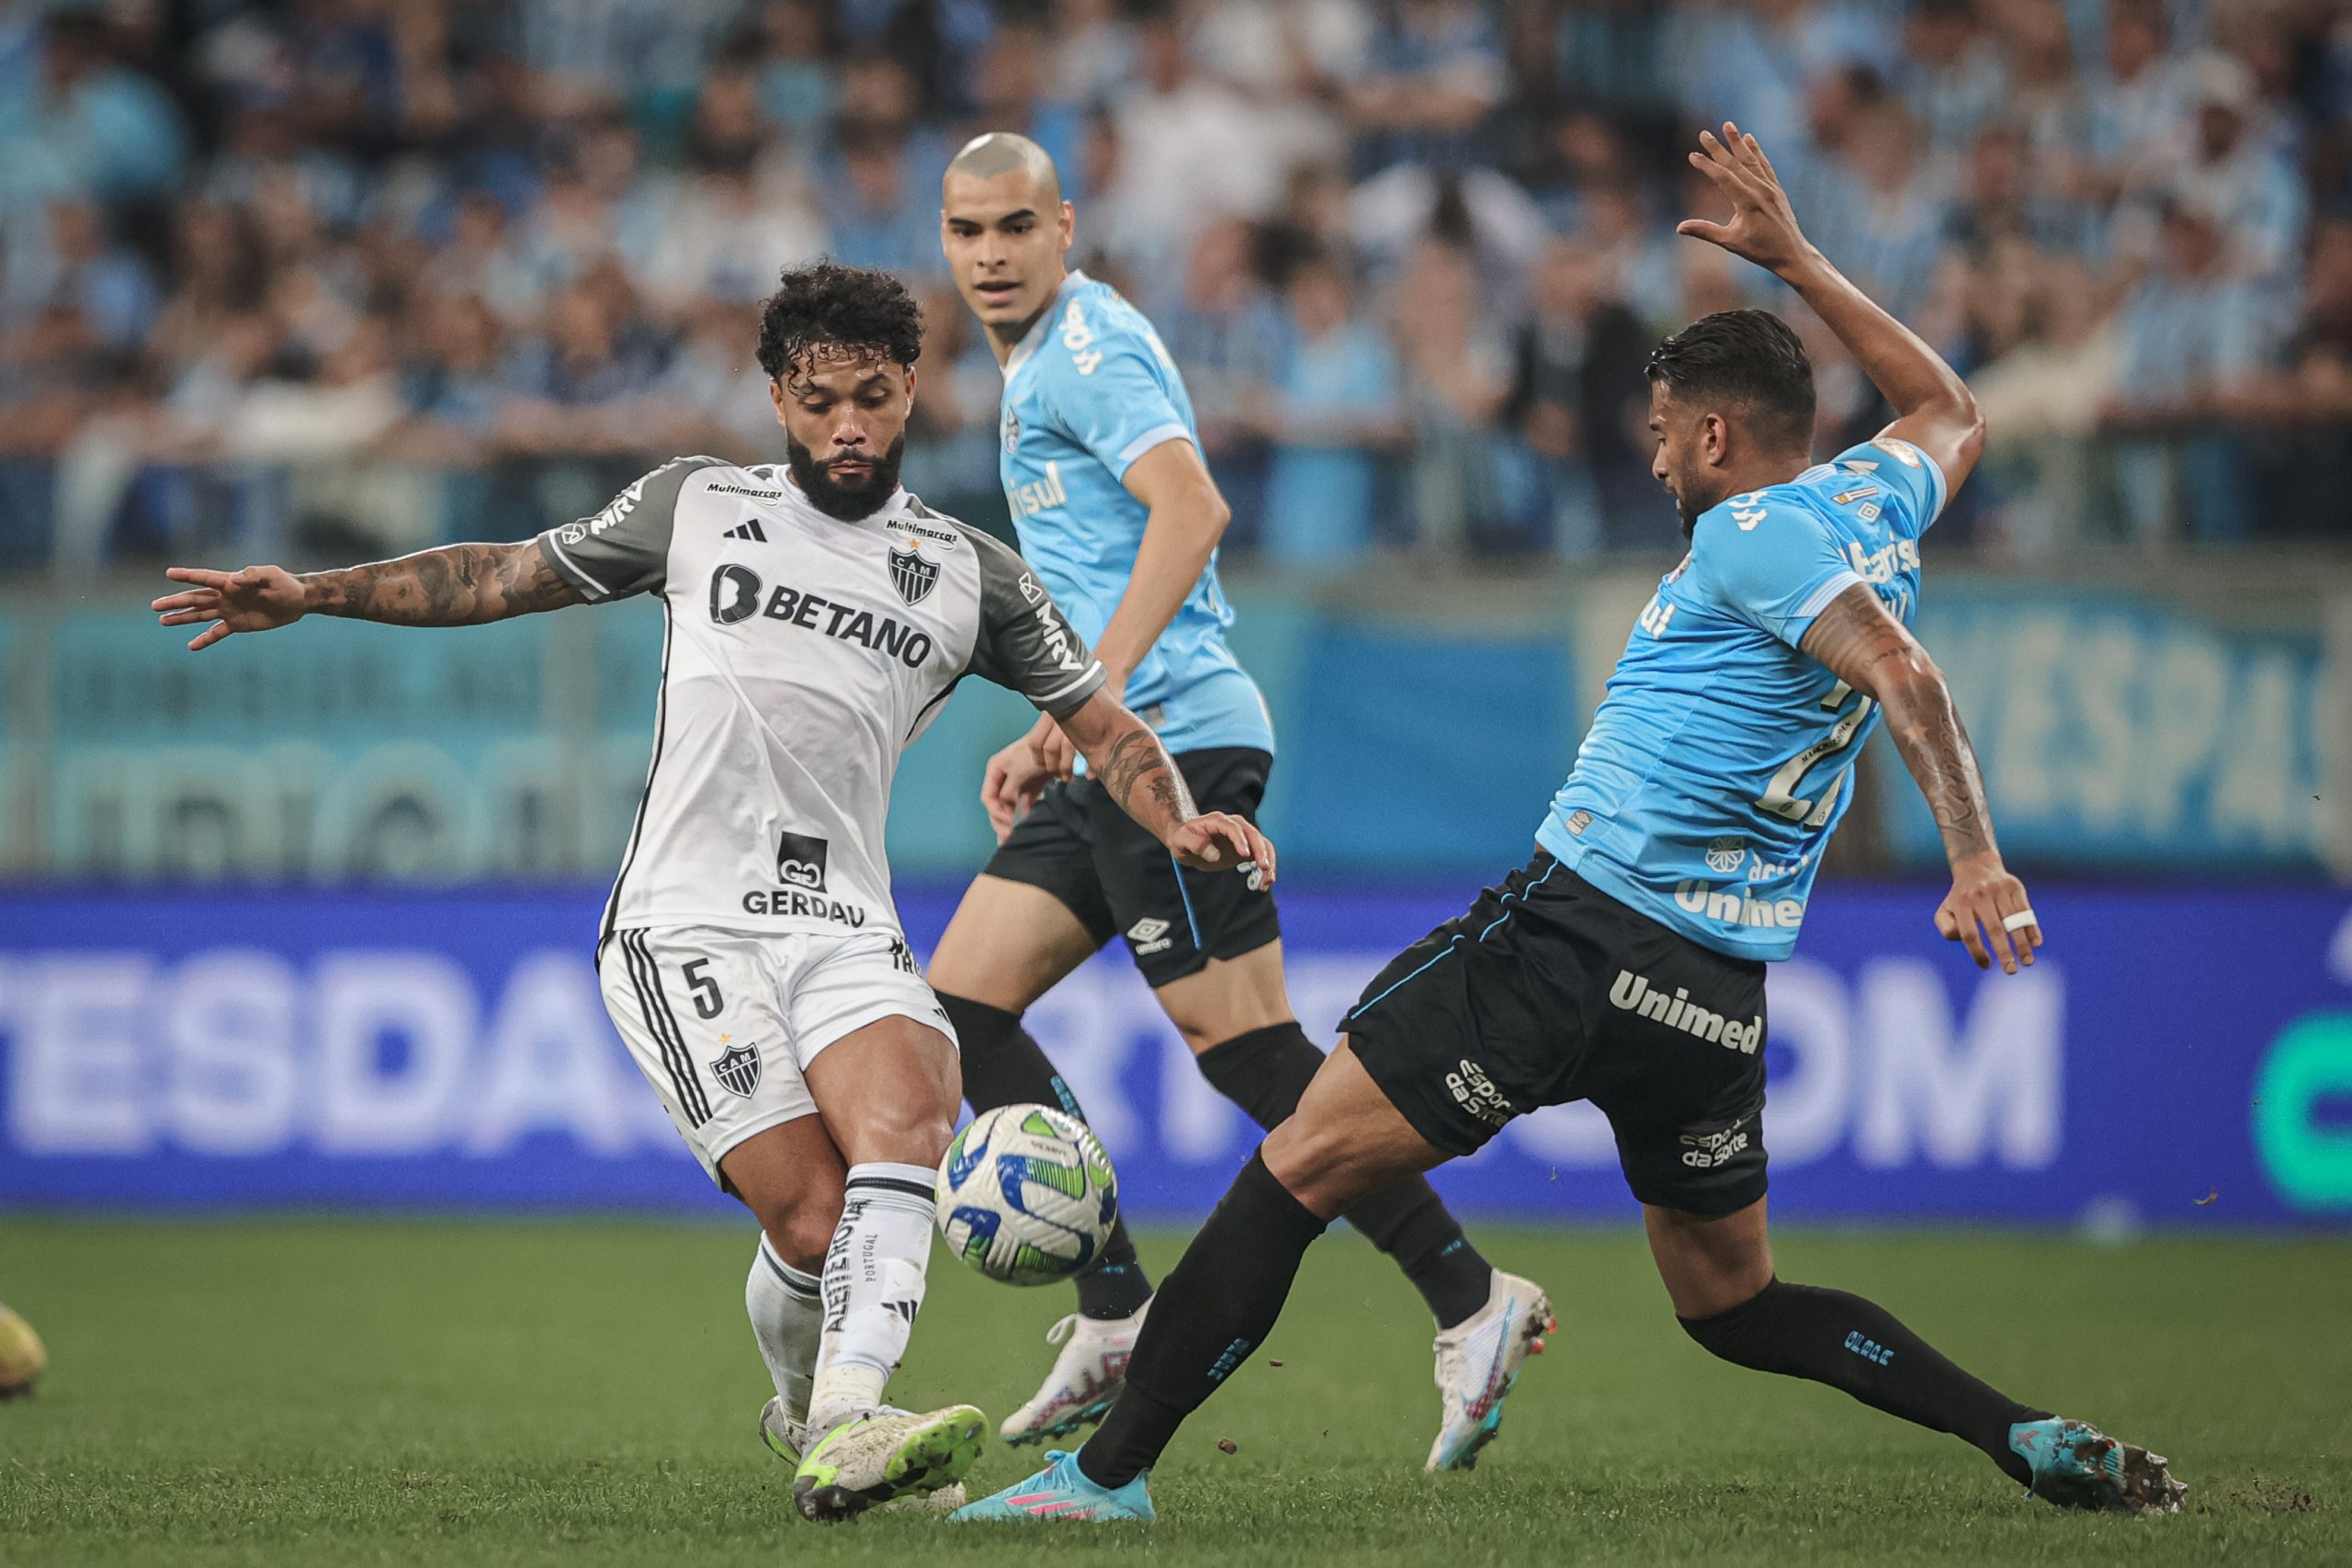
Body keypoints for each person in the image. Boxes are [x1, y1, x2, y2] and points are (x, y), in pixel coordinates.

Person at [955, 124, 2186, 1525]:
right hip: (1715, 996)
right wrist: (1801, 262)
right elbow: (1952, 404)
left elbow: (1904, 673)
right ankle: (2025, 1437)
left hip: (1574, 942)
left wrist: (1975, 857)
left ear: (1717, 437)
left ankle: (1106, 1481)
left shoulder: (1753, 534)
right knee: (1732, 1300)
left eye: (1665, 436)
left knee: (1296, 1161)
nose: (1656, 462)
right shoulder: (1874, 499)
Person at [150, 262, 1275, 1525]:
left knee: (914, 1105)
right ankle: (810, 1405)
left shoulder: (974, 574)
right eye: (816, 400)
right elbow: (505, 572)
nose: (845, 424)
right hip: (683, 919)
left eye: (871, 396)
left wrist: (1180, 819)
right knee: (807, 1220)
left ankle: (850, 1415)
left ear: (913, 392)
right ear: (777, 399)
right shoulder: (694, 506)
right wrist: (316, 593)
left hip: (845, 918)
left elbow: (1103, 723)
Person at [933, 130, 1546, 1472]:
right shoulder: (1040, 361)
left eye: (1014, 229)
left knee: (1252, 1050)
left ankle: (1471, 1297)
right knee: (964, 1001)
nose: (990, 253)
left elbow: (1191, 510)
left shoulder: (1089, 353)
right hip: (1109, 744)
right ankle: (1111, 1308)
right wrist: (1062, 723)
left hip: (1181, 743)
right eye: (968, 230)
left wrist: (1083, 697)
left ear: (1065, 228)